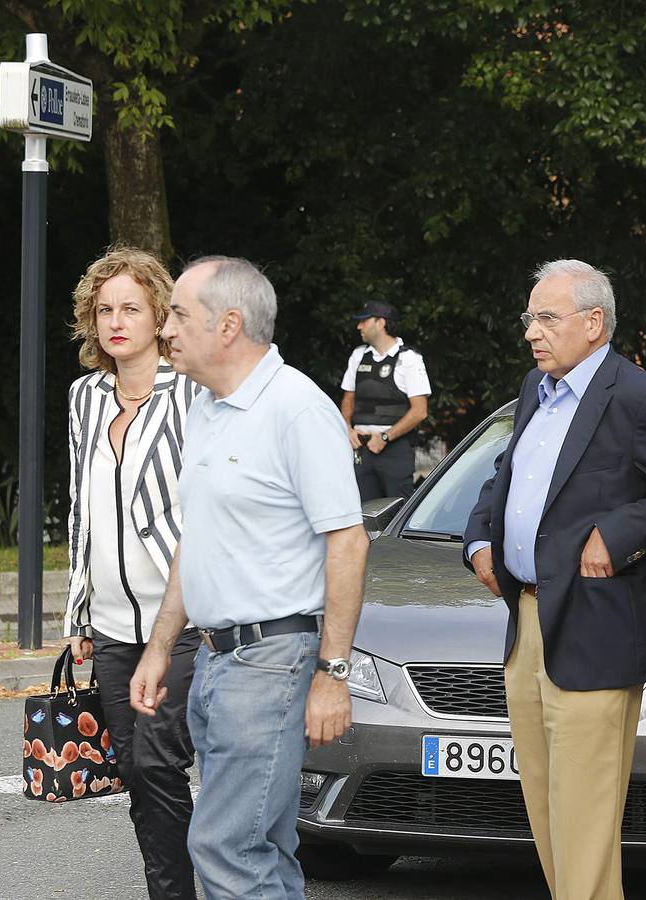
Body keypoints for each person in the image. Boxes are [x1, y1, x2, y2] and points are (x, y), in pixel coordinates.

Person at [463, 260, 646, 900]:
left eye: (547, 318)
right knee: (547, 810)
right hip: (526, 622)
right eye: (530, 319)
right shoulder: (534, 389)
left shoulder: (637, 397)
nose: (532, 333)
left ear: (593, 323)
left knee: (584, 817)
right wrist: (479, 538)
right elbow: (504, 476)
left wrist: (618, 533)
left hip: (596, 631)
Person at [129, 256, 370, 900]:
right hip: (216, 660)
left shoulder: (296, 409)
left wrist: (333, 674)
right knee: (260, 846)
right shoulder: (207, 406)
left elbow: (348, 542)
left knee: (229, 848)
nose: (165, 327)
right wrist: (160, 648)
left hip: (271, 662)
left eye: (178, 313)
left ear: (228, 324)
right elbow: (196, 540)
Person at [64, 247, 200, 900]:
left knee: (156, 763)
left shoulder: (189, 394)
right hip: (114, 628)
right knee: (139, 775)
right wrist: (77, 615)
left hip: (181, 623)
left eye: (131, 308)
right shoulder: (84, 397)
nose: (116, 321)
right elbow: (81, 509)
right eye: (105, 309)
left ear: (158, 316)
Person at [340, 300, 431, 501]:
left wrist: (385, 438)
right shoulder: (358, 356)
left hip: (395, 450)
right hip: (361, 448)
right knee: (362, 514)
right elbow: (348, 399)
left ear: (380, 323)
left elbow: (420, 411)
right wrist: (347, 428)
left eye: (364, 321)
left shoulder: (408, 358)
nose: (359, 326)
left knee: (397, 513)